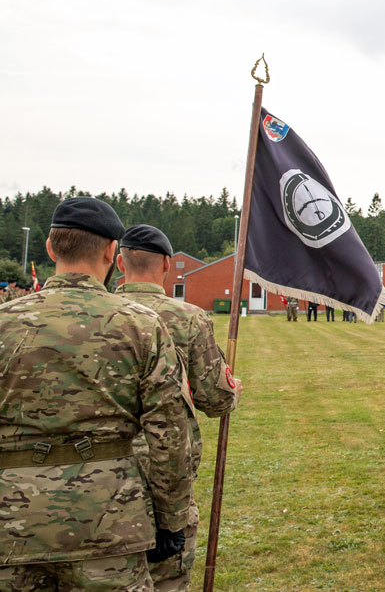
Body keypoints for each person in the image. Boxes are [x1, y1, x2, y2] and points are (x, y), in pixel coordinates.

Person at [0, 198, 196, 590]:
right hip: (108, 521)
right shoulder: (141, 326)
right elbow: (170, 436)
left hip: (12, 522)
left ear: (51, 248)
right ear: (111, 251)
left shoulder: (5, 323)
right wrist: (171, 519)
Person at [115, 224, 242, 592]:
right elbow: (215, 400)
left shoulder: (100, 314)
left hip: (99, 473)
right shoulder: (188, 318)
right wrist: (233, 389)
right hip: (165, 470)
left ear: (119, 262)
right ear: (168, 265)